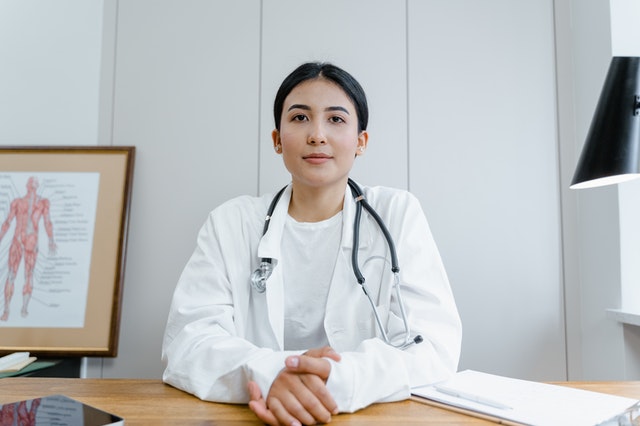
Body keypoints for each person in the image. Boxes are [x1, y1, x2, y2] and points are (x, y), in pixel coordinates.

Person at [162, 62, 462, 426]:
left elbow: (432, 346)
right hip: (257, 416)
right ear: (277, 139)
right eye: (300, 118)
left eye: (336, 120)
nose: (317, 135)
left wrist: (339, 380)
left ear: (361, 141)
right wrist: (271, 375)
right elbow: (187, 343)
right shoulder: (232, 222)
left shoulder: (396, 214)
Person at [0, 176, 57, 321]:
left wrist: (51, 239)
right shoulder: (18, 203)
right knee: (12, 274)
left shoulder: (43, 203)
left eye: (35, 185)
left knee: (28, 275)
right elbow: (7, 222)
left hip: (31, 242)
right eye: (31, 185)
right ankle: (7, 309)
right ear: (27, 186)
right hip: (18, 241)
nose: (32, 188)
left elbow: (47, 222)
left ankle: (24, 308)